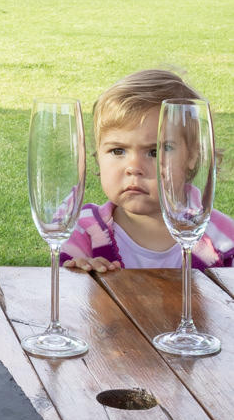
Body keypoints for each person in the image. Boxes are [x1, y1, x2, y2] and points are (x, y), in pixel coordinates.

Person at [60, 69, 234, 272]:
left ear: (193, 155)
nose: (134, 168)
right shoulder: (82, 230)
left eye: (154, 152)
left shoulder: (222, 239)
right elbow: (65, 294)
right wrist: (80, 274)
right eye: (118, 150)